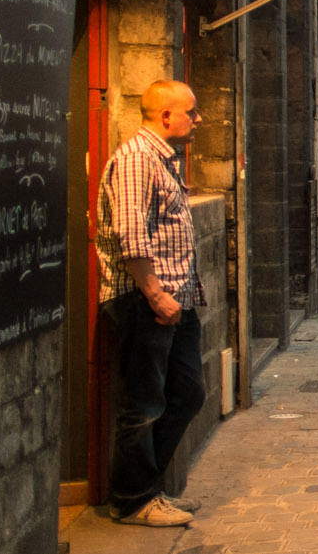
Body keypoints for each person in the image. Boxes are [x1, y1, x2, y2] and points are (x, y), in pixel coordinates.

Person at [95, 80, 208, 527]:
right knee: (143, 405)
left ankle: (148, 489)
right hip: (147, 302)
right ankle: (131, 499)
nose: (198, 119)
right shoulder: (138, 159)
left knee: (187, 393)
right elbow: (131, 234)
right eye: (191, 111)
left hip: (175, 302)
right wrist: (157, 294)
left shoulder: (163, 160)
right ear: (165, 116)